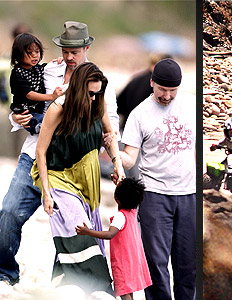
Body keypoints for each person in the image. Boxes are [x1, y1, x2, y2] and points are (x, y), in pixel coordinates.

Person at [0, 21, 119, 287]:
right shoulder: (48, 70)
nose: (69, 56)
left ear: (87, 48)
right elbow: (21, 98)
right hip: (35, 154)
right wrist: (15, 117)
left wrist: (112, 157)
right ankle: (5, 272)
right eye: (65, 50)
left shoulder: (98, 80)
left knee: (71, 224)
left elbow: (109, 124)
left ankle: (65, 280)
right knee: (9, 212)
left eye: (75, 51)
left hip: (72, 165)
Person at [31, 62, 124, 293]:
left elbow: (109, 135)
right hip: (59, 178)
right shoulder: (58, 108)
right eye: (90, 93)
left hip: (88, 185)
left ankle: (65, 284)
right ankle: (100, 288)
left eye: (98, 93)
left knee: (76, 234)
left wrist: (117, 163)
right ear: (79, 89)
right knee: (81, 231)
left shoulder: (97, 105)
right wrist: (46, 194)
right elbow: (40, 151)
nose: (94, 98)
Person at [116, 58, 196, 300]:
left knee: (189, 266)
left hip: (189, 195)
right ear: (152, 82)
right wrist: (115, 155)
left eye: (172, 90)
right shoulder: (139, 114)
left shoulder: (192, 104)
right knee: (155, 264)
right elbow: (130, 157)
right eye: (162, 89)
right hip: (154, 196)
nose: (167, 96)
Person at [76, 177, 152, 300]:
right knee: (129, 289)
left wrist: (88, 232)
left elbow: (109, 234)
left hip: (123, 262)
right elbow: (128, 195)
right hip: (134, 259)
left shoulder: (120, 217)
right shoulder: (132, 211)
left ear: (116, 198)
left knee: (123, 291)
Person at [10, 33, 63, 134]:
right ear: (18, 54)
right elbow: (29, 94)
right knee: (45, 122)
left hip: (38, 110)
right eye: (29, 53)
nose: (35, 55)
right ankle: (40, 129)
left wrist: (58, 61)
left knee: (49, 120)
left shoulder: (38, 68)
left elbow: (50, 67)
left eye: (37, 51)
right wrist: (51, 96)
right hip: (26, 111)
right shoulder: (17, 73)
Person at [117, 53, 171, 130]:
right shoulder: (160, 85)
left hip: (128, 130)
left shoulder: (135, 79)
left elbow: (119, 106)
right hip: (148, 132)